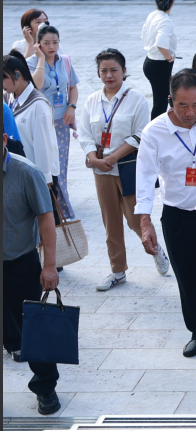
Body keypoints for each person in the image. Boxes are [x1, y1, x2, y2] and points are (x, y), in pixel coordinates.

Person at [134, 70, 196, 371]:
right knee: (188, 280)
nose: (191, 113)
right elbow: (144, 179)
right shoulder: (155, 132)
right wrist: (145, 223)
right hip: (178, 216)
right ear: (170, 102)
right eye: (182, 106)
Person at [76, 49, 169, 291]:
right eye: (103, 70)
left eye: (114, 70)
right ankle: (118, 271)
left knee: (134, 219)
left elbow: (140, 134)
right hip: (101, 170)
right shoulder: (92, 100)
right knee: (111, 222)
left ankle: (156, 249)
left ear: (124, 71)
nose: (109, 75)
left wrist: (113, 157)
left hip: (127, 168)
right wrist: (93, 159)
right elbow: (85, 134)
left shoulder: (136, 98)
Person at [2, 132, 61, 415]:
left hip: (18, 263)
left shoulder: (27, 172)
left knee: (33, 329)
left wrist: (50, 266)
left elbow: (46, 219)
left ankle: (46, 387)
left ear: (3, 139)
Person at [26, 25, 80, 220]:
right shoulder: (31, 63)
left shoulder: (64, 61)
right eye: (46, 43)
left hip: (61, 121)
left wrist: (71, 107)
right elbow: (37, 85)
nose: (52, 46)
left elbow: (72, 87)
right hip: (41, 122)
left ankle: (60, 206)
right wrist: (41, 58)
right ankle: (45, 204)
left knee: (61, 165)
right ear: (38, 44)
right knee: (44, 163)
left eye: (55, 42)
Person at [3, 51, 59, 189]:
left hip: (37, 176)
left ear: (17, 74)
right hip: (18, 173)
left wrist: (44, 178)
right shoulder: (8, 99)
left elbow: (43, 145)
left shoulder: (38, 105)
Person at [142, 0, 179, 119]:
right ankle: (156, 129)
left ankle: (170, 119)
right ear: (172, 3)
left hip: (149, 61)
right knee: (160, 101)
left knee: (163, 96)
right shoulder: (166, 21)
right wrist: (169, 57)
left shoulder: (152, 15)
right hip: (159, 64)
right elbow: (161, 43)